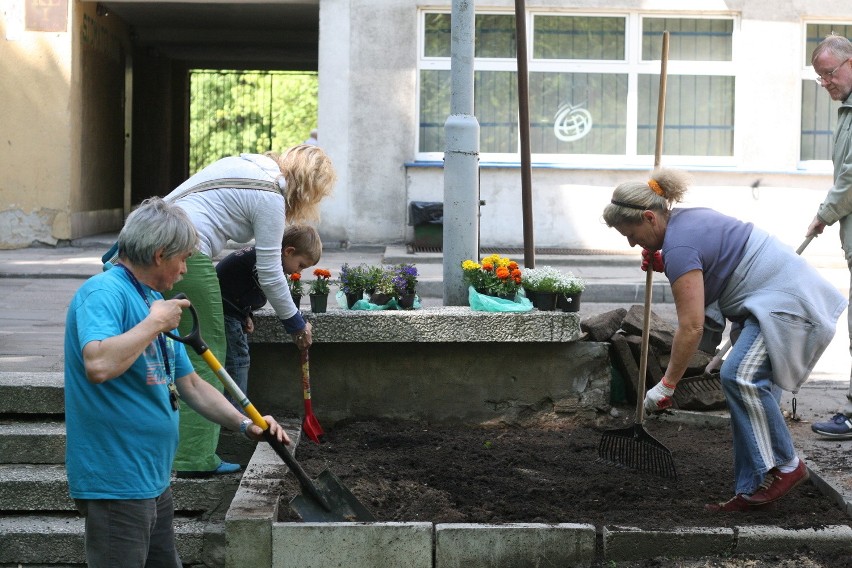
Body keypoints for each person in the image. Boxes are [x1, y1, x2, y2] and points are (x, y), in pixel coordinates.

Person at [603, 168, 846, 512]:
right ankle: (751, 490)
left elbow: (691, 327)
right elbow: (713, 264)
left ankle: (787, 467)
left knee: (739, 376)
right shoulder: (685, 223)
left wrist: (667, 385)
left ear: (648, 217)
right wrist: (662, 259)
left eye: (631, 234)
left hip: (787, 304)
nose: (631, 243)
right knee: (747, 396)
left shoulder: (680, 246)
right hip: (773, 302)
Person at [64, 197, 290, 567]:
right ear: (159, 254)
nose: (186, 269)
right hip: (116, 481)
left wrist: (248, 425)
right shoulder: (104, 293)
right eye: (183, 258)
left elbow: (192, 385)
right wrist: (154, 323)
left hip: (153, 478)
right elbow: (99, 363)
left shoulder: (153, 299)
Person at [162, 144, 335, 476]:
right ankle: (194, 458)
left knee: (169, 348)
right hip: (185, 251)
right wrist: (296, 323)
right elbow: (270, 271)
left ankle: (171, 445)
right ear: (306, 184)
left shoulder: (249, 166)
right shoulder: (270, 193)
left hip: (157, 239)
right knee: (206, 352)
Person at [216, 225, 322, 410]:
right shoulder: (264, 264)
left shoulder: (260, 257)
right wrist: (300, 324)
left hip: (229, 310)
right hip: (224, 313)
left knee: (236, 359)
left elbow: (240, 289)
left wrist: (246, 314)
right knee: (237, 360)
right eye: (301, 265)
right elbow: (275, 293)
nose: (300, 271)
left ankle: (233, 411)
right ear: (289, 251)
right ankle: (234, 415)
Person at [806, 33, 852, 440]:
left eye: (829, 74)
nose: (826, 84)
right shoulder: (847, 111)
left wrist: (824, 213)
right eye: (819, 77)